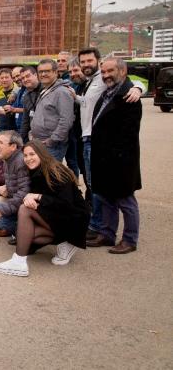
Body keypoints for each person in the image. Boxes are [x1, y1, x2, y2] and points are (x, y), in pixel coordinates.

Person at [0, 140, 89, 277]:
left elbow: (66, 204)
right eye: (25, 155)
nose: (28, 158)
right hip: (55, 214)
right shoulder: (34, 171)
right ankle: (65, 242)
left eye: (32, 154)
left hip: (74, 218)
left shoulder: (56, 171)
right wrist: (29, 197)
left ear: (42, 154)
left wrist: (38, 197)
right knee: (25, 238)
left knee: (25, 211)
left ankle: (18, 262)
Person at [75, 48, 143, 240]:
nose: (106, 75)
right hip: (100, 151)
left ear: (122, 71)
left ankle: (130, 239)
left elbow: (128, 135)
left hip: (120, 159)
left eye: (110, 71)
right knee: (104, 195)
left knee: (125, 199)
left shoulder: (128, 95)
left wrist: (138, 87)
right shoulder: (106, 91)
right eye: (104, 72)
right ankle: (106, 233)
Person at [0, 130, 30, 238]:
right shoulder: (7, 160)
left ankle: (27, 236)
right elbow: (10, 187)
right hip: (16, 202)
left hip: (26, 206)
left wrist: (1, 210)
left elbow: (24, 192)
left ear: (13, 146)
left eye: (0, 143)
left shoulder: (20, 161)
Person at [29, 59, 74, 161]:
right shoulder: (45, 90)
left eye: (47, 71)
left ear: (55, 72)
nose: (43, 74)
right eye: (40, 72)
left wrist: (52, 140)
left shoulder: (61, 92)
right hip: (40, 143)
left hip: (52, 146)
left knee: (50, 176)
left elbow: (66, 121)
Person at [65, 60, 88, 183]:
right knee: (81, 166)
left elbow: (127, 83)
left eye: (76, 70)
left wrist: (138, 88)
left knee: (89, 171)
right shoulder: (74, 84)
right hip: (77, 133)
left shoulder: (93, 83)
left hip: (89, 136)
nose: (73, 74)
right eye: (70, 72)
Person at [18, 66, 41, 143]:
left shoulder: (46, 90)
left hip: (51, 138)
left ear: (35, 75)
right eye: (23, 78)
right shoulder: (26, 97)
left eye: (28, 76)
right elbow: (25, 121)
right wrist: (22, 140)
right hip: (34, 138)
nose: (25, 80)